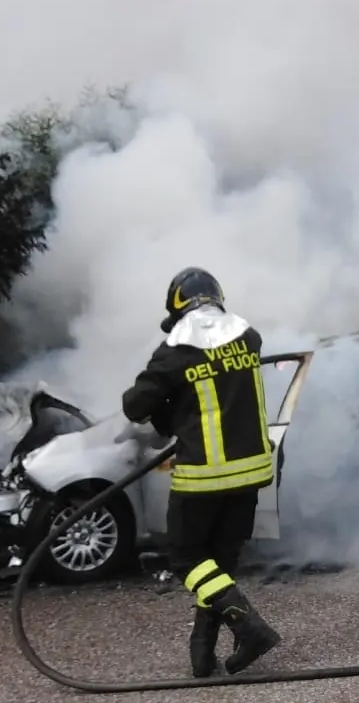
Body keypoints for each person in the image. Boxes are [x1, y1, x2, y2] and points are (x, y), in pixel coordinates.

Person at [119, 266, 282, 677]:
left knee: (186, 558)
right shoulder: (249, 337)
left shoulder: (175, 352)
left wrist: (165, 406)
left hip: (205, 476)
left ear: (178, 310)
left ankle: (249, 626)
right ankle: (203, 653)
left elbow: (135, 406)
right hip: (253, 471)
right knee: (220, 562)